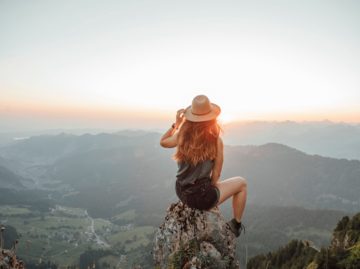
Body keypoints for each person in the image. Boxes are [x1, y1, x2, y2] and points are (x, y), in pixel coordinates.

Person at [159, 95, 247, 238]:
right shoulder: (216, 141)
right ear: (212, 118)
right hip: (201, 196)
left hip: (181, 191)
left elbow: (163, 142)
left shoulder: (182, 135)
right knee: (242, 183)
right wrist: (208, 191)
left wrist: (176, 124)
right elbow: (217, 174)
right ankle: (236, 224)